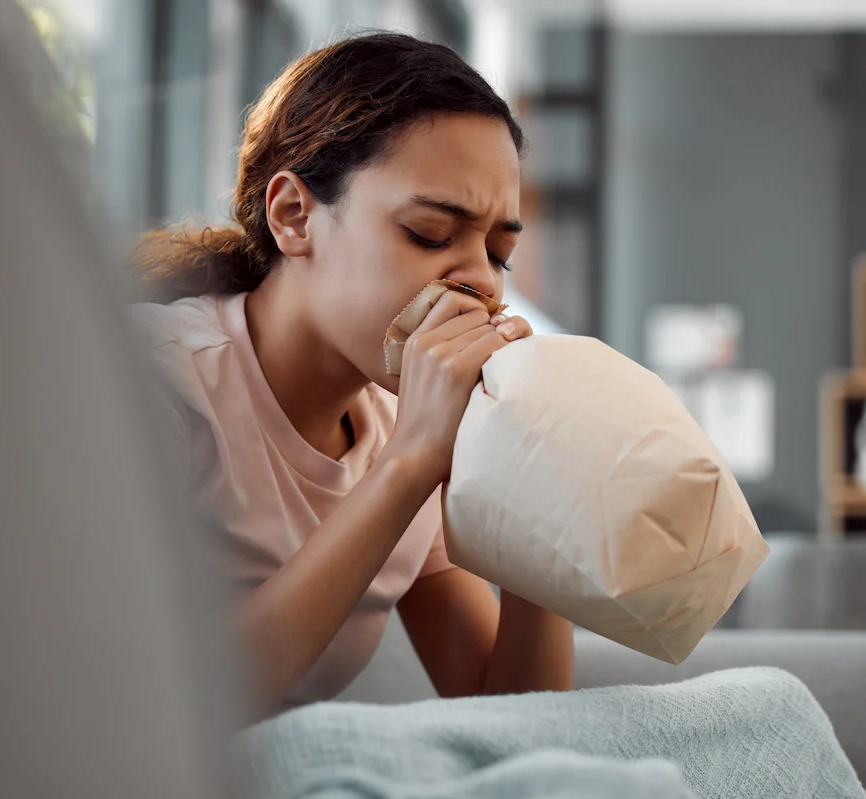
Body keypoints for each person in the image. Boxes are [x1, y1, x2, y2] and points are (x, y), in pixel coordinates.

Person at [131, 32, 573, 716]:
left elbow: (514, 722)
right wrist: (408, 464)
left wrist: (532, 513)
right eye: (430, 233)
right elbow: (172, 702)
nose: (481, 282)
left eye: (499, 253)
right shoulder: (156, 384)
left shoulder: (405, 424)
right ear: (294, 216)